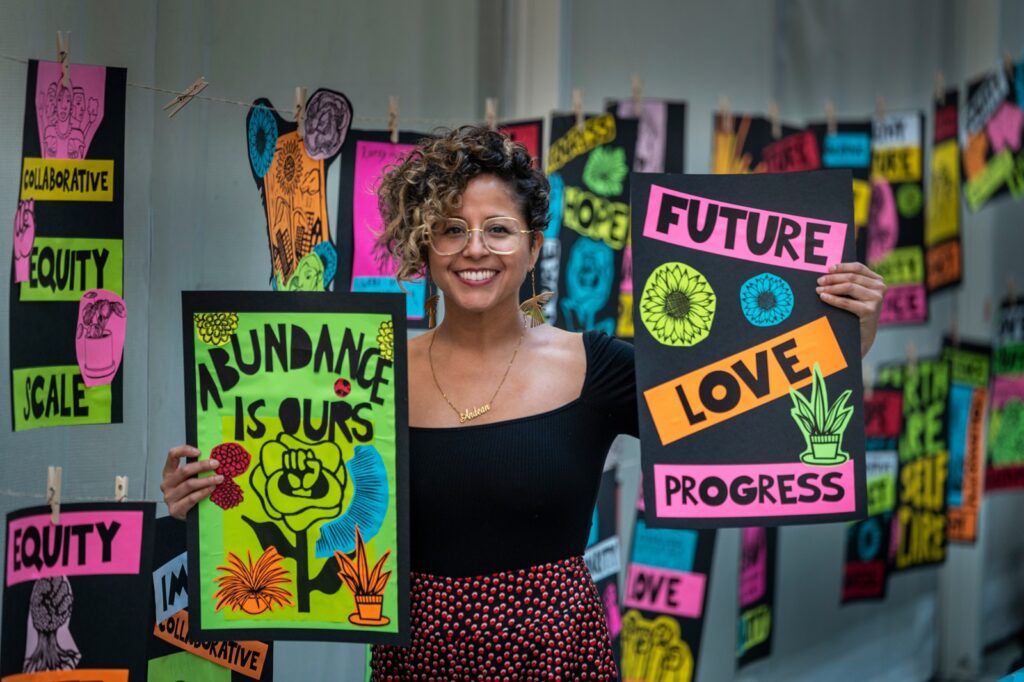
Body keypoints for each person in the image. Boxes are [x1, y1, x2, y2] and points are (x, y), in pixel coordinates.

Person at [161, 126, 886, 680]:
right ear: (425, 247)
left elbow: (745, 418)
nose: (474, 249)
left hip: (556, 657)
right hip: (415, 662)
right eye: (451, 229)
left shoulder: (594, 366)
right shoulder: (363, 377)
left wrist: (849, 335)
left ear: (533, 245)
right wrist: (205, 499)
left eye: (498, 229)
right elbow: (288, 495)